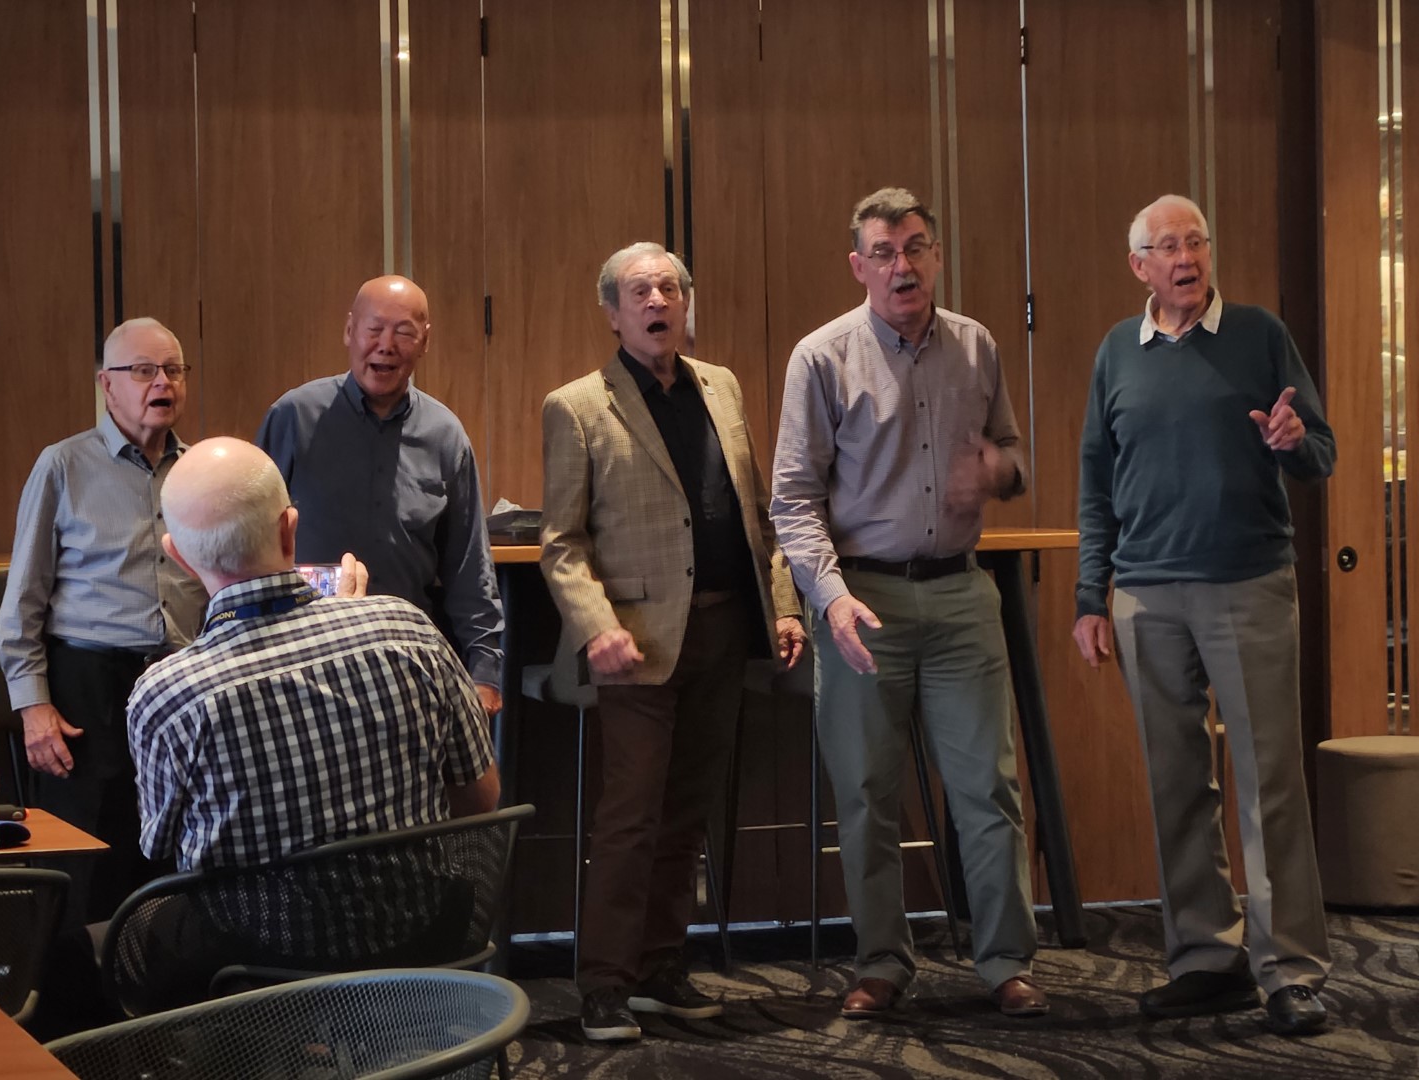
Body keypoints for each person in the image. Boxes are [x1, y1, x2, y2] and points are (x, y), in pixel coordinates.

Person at [771, 187, 1047, 1020]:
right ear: (859, 266)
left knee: (989, 790)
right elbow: (792, 501)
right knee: (867, 794)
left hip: (961, 594)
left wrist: (1000, 471)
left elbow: (1014, 454)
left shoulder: (976, 344)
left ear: (936, 256)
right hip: (863, 603)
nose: (903, 266)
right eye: (885, 253)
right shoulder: (821, 357)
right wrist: (829, 599)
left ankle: (1006, 962)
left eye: (916, 248)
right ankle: (882, 963)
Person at [1073, 194, 1335, 1036]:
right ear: (1139, 266)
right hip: (1146, 594)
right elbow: (1095, 481)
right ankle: (1205, 959)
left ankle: (1289, 969)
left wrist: (1294, 441)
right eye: (1166, 247)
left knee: (1268, 780)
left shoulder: (1259, 335)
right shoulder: (1118, 351)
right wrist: (1090, 595)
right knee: (1176, 781)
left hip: (1246, 582)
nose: (1185, 258)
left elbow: (1322, 452)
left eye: (1195, 242)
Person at [121, 437, 499, 1010]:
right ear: (289, 529)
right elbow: (481, 798)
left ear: (179, 556)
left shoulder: (166, 694)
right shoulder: (408, 631)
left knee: (94, 950)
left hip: (257, 966)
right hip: (420, 941)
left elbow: (163, 847)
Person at [540, 242, 806, 1042]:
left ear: (686, 304)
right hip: (638, 643)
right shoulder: (577, 406)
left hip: (724, 629)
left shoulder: (721, 386)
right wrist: (597, 628)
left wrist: (783, 607)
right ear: (613, 313)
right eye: (639, 291)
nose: (657, 301)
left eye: (668, 288)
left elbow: (757, 515)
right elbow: (562, 543)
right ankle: (605, 985)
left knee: (688, 812)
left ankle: (660, 968)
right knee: (631, 818)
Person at [0, 317, 208, 920]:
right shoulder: (62, 466)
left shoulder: (202, 471)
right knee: (86, 862)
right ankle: (77, 978)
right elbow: (22, 601)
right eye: (143, 370)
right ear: (106, 385)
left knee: (174, 855)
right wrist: (33, 707)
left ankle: (162, 971)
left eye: (173, 370)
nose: (162, 382)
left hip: (180, 685)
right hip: (87, 688)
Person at [256, 275, 504, 717]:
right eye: (374, 329)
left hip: (406, 662)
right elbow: (250, 541)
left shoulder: (445, 435)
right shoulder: (293, 416)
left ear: (425, 342)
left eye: (404, 332)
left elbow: (469, 566)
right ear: (349, 331)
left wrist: (485, 672)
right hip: (300, 660)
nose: (386, 345)